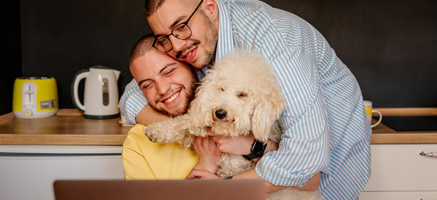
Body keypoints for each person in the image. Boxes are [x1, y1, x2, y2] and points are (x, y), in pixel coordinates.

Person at [121, 0, 371, 199]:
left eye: (181, 26)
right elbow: (131, 96)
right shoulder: (195, 43)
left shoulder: (277, 44)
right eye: (164, 38)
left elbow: (306, 162)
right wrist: (197, 126)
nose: (176, 45)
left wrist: (226, 186)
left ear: (210, 8)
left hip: (332, 173)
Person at [121, 33, 222, 179]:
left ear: (194, 67)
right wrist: (205, 167)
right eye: (148, 85)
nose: (162, 89)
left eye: (169, 72)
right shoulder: (139, 140)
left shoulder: (233, 123)